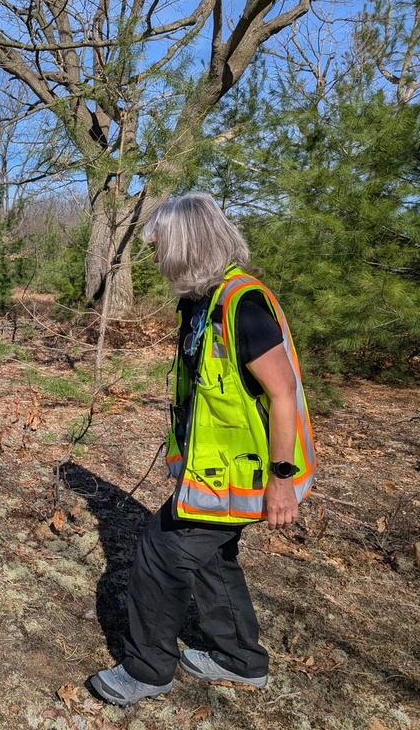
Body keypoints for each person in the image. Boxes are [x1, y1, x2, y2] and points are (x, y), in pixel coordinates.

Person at [88, 192, 316, 706]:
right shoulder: (197, 303)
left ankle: (147, 671)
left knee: (159, 555)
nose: (153, 254)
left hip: (253, 472)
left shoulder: (243, 305)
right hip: (214, 475)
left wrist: (283, 481)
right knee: (213, 559)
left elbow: (283, 394)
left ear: (187, 244)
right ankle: (241, 660)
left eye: (159, 244)